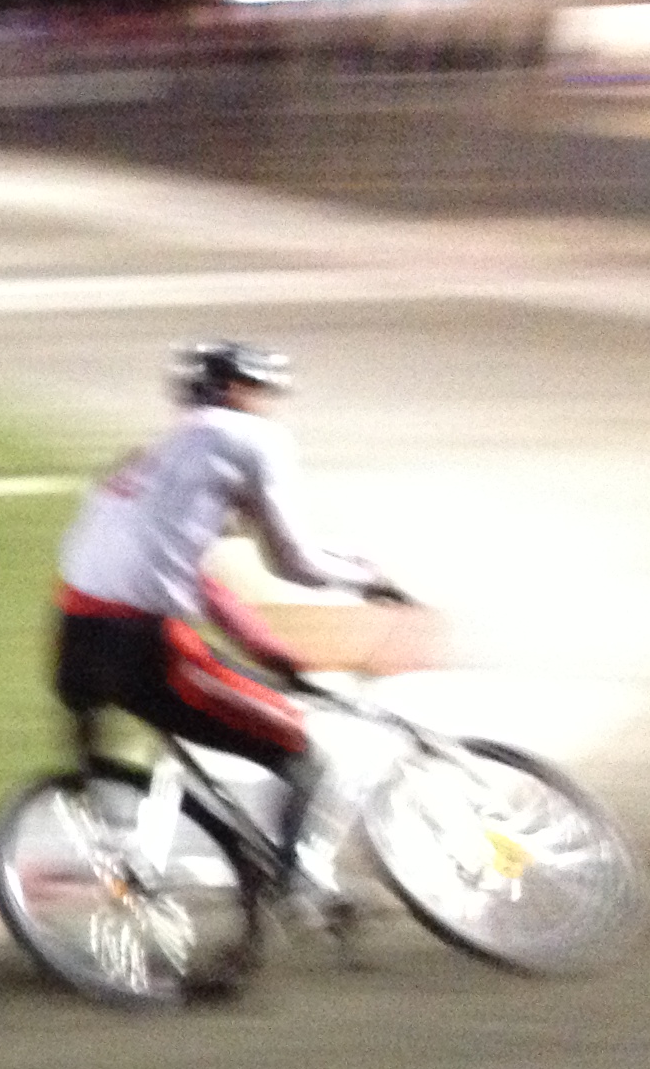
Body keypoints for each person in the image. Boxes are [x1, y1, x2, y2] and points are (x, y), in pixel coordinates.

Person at [50, 340, 398, 902]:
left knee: (172, 714)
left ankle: (108, 830)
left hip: (73, 639)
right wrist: (366, 581)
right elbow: (295, 561)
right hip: (143, 645)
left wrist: (269, 652)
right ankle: (295, 888)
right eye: (262, 391)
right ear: (236, 389)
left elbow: (195, 582)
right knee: (301, 750)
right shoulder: (250, 437)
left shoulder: (147, 460)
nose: (268, 404)